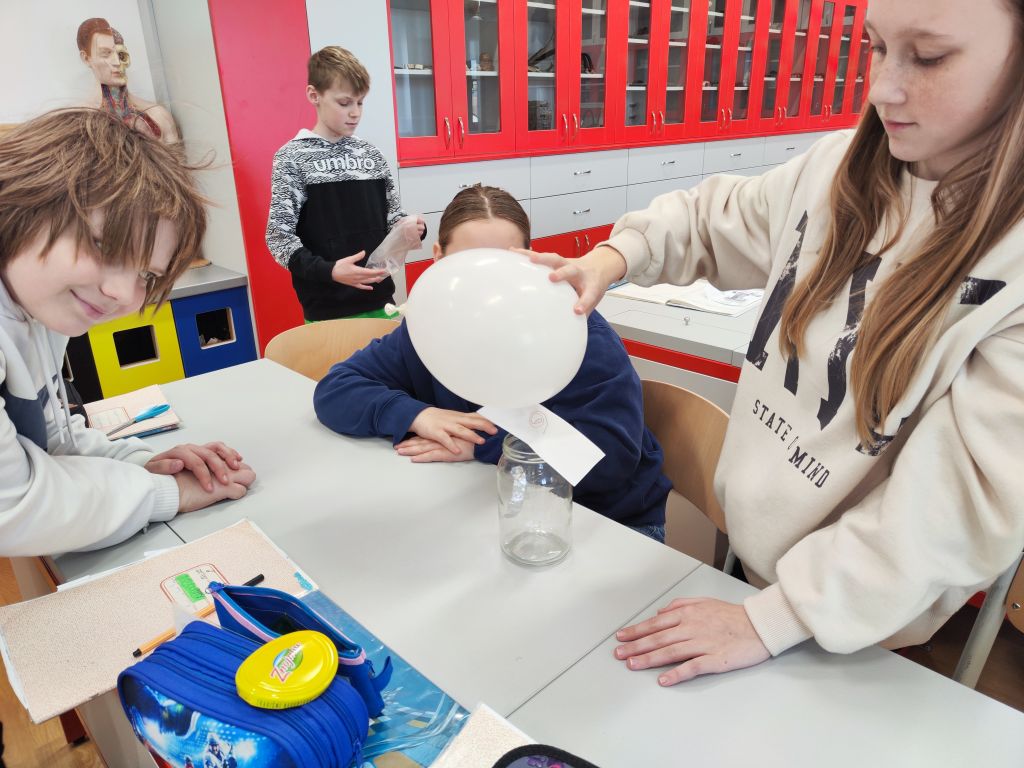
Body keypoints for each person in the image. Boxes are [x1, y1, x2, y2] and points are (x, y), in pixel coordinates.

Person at [531, 0, 1024, 684]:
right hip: (750, 572)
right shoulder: (835, 168)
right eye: (876, 46)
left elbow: (952, 509)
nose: (882, 89)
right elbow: (713, 219)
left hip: (854, 625)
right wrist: (613, 259)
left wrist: (777, 618)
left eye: (930, 57)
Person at [313, 185, 671, 540]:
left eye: (503, 263)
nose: (487, 281)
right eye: (467, 263)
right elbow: (336, 389)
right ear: (438, 257)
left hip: (606, 519)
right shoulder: (429, 327)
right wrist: (419, 415)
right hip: (491, 504)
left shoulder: (579, 333)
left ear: (531, 259)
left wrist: (482, 444)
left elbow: (611, 458)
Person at [0, 109, 256, 557]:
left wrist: (141, 464)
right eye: (103, 245)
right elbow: (11, 506)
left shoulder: (37, 307)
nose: (121, 293)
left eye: (145, 273)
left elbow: (50, 440)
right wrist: (167, 493)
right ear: (22, 204)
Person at [266, 46, 425, 322]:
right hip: (327, 310)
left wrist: (412, 229)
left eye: (360, 103)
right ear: (314, 95)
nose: (355, 113)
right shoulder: (292, 157)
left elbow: (393, 219)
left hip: (381, 301)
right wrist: (329, 271)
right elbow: (278, 238)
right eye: (344, 103)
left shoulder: (371, 155)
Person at [77, 18, 180, 143]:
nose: (117, 62)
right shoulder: (79, 124)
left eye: (121, 55)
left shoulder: (158, 115)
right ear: (86, 59)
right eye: (106, 54)